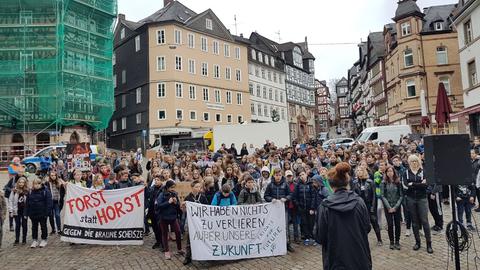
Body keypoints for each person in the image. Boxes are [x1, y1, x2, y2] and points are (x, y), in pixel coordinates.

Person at [315, 162, 372, 270]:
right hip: (359, 259)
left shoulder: (324, 207)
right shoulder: (359, 202)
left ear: (331, 186)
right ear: (347, 183)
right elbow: (367, 228)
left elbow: (319, 236)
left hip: (335, 261)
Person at [403, 155, 433, 253]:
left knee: (425, 221)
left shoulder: (423, 172)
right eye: (412, 161)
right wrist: (419, 184)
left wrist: (413, 184)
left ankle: (429, 243)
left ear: (418, 162)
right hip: (411, 199)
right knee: (414, 222)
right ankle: (417, 242)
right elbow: (406, 186)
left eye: (416, 161)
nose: (414, 163)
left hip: (422, 199)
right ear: (409, 162)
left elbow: (426, 185)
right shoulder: (406, 173)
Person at [264, 167, 294, 252]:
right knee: (274, 226)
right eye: (276, 175)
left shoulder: (285, 184)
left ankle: (287, 244)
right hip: (273, 211)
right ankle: (275, 243)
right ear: (273, 175)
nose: (278, 177)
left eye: (280, 175)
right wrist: (271, 199)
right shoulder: (270, 185)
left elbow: (290, 194)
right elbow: (266, 196)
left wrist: (286, 198)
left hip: (284, 209)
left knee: (285, 226)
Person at [352, 167, 382, 246]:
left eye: (361, 170)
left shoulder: (370, 182)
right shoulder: (354, 182)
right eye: (357, 170)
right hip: (360, 206)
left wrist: (373, 207)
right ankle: (363, 240)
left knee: (374, 222)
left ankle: (379, 239)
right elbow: (353, 195)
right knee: (361, 224)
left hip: (369, 205)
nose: (359, 172)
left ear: (364, 171)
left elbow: (374, 196)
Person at [182, 180, 209, 265]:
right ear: (192, 187)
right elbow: (184, 211)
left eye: (199, 187)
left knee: (202, 238)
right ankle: (188, 257)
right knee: (190, 239)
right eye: (196, 187)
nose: (198, 189)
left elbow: (207, 208)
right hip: (191, 222)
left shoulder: (203, 197)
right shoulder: (188, 198)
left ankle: (203, 255)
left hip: (201, 222)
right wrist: (183, 207)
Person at [155, 180, 183, 259]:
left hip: (173, 217)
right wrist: (168, 202)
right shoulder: (161, 194)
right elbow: (159, 205)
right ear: (167, 187)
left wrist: (176, 203)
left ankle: (179, 249)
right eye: (171, 187)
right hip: (163, 217)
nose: (173, 189)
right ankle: (166, 251)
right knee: (165, 234)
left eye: (174, 187)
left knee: (178, 232)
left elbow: (177, 206)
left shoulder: (174, 194)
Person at [380, 166, 403, 250]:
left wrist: (396, 207)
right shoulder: (383, 182)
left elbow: (401, 195)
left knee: (397, 224)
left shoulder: (398, 182)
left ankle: (397, 241)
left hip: (396, 207)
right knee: (390, 224)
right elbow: (382, 196)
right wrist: (389, 207)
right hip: (388, 207)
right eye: (388, 171)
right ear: (386, 173)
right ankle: (391, 242)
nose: (390, 173)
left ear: (394, 172)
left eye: (391, 171)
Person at [26, 179, 53, 248]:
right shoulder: (30, 192)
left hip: (42, 213)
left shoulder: (45, 191)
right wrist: (27, 213)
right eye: (35, 184)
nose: (36, 185)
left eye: (38, 184)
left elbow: (49, 203)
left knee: (43, 227)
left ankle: (44, 239)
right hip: (33, 213)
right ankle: (35, 240)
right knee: (34, 227)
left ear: (41, 184)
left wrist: (46, 213)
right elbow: (27, 203)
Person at [293, 171, 316, 246]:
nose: (301, 176)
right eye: (300, 175)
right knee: (304, 223)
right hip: (302, 208)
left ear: (306, 174)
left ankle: (312, 237)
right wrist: (298, 206)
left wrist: (312, 208)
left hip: (310, 208)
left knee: (311, 223)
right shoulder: (298, 185)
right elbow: (295, 197)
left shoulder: (311, 184)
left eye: (303, 174)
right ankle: (306, 238)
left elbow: (313, 196)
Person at [8, 177, 29, 245]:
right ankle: (17, 239)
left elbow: (29, 202)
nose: (21, 184)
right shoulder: (14, 191)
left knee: (24, 225)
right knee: (17, 225)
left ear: (25, 183)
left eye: (23, 182)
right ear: (18, 183)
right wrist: (11, 210)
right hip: (16, 211)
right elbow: (10, 200)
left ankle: (24, 239)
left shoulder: (27, 191)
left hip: (24, 211)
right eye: (20, 182)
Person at [45, 170, 65, 235]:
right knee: (51, 216)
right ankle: (53, 229)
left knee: (57, 215)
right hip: (50, 202)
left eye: (54, 175)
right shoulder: (47, 183)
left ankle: (59, 229)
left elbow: (63, 192)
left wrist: (61, 197)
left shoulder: (59, 183)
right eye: (52, 175)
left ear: (56, 176)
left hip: (57, 202)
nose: (53, 177)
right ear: (50, 176)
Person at [148, 177, 164, 250]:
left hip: (159, 212)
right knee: (154, 227)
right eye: (155, 180)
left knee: (161, 228)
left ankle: (163, 243)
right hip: (152, 210)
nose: (156, 181)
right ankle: (158, 241)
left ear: (161, 181)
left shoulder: (163, 189)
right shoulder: (152, 188)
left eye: (158, 180)